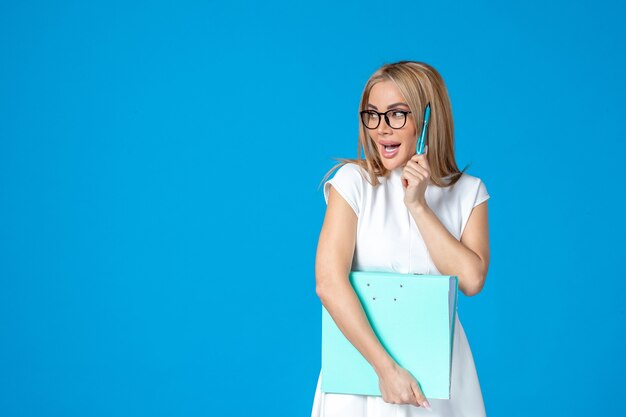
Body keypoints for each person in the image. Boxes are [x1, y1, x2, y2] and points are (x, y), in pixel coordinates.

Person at [311, 61, 490, 417]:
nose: (381, 129)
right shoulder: (353, 183)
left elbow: (471, 280)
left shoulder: (469, 193)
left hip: (439, 377)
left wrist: (418, 205)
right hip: (362, 375)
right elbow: (328, 283)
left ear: (427, 120)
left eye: (396, 115)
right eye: (372, 115)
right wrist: (386, 370)